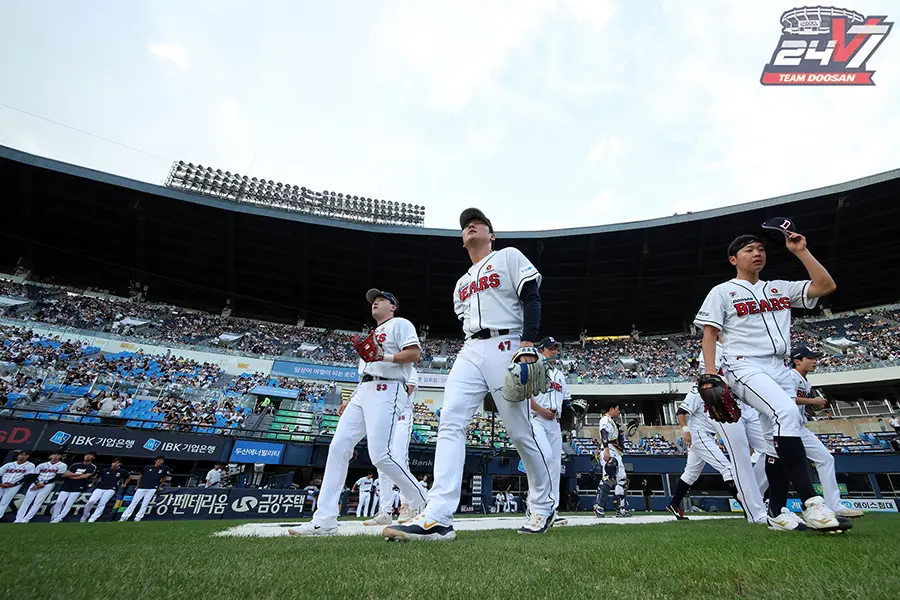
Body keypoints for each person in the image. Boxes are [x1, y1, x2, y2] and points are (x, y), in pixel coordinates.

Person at [384, 208, 555, 541]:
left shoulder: (508, 256)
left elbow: (532, 297)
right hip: (470, 349)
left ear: (492, 234)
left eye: (478, 222)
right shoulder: (461, 284)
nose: (470, 226)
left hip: (508, 343)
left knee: (520, 432)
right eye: (465, 225)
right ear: (463, 241)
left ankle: (543, 506)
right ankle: (438, 516)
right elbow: (465, 322)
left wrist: (529, 342)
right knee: (450, 420)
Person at [695, 228, 846, 533]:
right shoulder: (723, 291)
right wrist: (710, 372)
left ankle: (776, 512)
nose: (757, 252)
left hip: (779, 367)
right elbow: (709, 333)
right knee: (787, 413)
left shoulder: (780, 288)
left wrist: (800, 251)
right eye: (749, 249)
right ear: (733, 258)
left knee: (774, 445)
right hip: (744, 366)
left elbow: (826, 286)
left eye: (761, 248)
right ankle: (813, 503)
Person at [288, 289, 426, 537]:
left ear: (393, 306)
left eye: (381, 300)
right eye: (373, 301)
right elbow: (366, 373)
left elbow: (414, 354)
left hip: (388, 387)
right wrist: (351, 397)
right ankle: (325, 519)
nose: (375, 303)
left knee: (380, 456)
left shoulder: (400, 324)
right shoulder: (372, 334)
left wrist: (384, 354)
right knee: (338, 447)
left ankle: (421, 499)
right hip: (364, 390)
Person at [789, 346, 863, 519]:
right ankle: (749, 497)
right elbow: (786, 397)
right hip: (782, 427)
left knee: (826, 459)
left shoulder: (804, 380)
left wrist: (810, 406)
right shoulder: (791, 376)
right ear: (797, 360)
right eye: (810, 358)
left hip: (797, 427)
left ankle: (834, 505)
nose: (815, 360)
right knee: (768, 463)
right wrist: (812, 400)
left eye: (816, 357)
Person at [666, 388, 741, 521]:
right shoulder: (697, 392)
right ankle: (746, 506)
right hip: (699, 434)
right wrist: (686, 431)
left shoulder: (718, 391)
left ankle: (674, 504)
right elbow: (681, 412)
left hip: (706, 434)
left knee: (690, 473)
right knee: (727, 469)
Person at [364, 368, 420, 527]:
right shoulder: (385, 370)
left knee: (400, 459)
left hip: (402, 417)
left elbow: (406, 391)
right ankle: (385, 511)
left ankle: (407, 505)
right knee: (382, 464)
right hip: (386, 418)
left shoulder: (410, 371)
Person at [527, 336, 569, 525]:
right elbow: (525, 398)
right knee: (545, 459)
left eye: (556, 348)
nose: (554, 351)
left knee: (555, 466)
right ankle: (533, 506)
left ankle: (552, 510)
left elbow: (566, 399)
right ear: (541, 350)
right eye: (551, 348)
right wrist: (543, 411)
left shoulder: (560, 375)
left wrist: (573, 409)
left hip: (554, 423)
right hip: (537, 420)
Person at [593, 403, 631, 518]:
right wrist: (605, 449)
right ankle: (598, 506)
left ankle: (621, 508)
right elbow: (603, 432)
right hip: (609, 450)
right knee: (608, 478)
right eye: (617, 409)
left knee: (622, 479)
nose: (619, 411)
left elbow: (618, 439)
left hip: (617, 453)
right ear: (611, 409)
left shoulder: (614, 423)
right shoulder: (605, 419)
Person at [14, 450, 67, 523]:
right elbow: (34, 475)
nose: (55, 456)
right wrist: (37, 483)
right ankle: (18, 519)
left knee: (37, 502)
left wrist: (44, 483)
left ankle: (26, 519)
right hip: (36, 483)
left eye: (58, 455)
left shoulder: (62, 465)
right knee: (26, 501)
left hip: (48, 484)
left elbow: (57, 477)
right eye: (54, 454)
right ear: (51, 455)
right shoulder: (42, 465)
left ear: (60, 456)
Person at [50, 451, 98, 523]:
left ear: (93, 457)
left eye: (90, 455)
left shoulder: (92, 467)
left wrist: (73, 476)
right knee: (59, 502)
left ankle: (59, 518)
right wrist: (78, 475)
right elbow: (66, 474)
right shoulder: (75, 465)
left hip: (78, 487)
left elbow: (85, 476)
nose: (87, 456)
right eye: (86, 455)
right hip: (67, 485)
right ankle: (53, 518)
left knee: (69, 504)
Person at [120, 456, 170, 522]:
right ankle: (124, 517)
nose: (160, 461)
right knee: (134, 502)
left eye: (161, 460)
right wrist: (138, 485)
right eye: (159, 460)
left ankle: (138, 518)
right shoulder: (148, 467)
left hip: (152, 488)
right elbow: (140, 476)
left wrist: (160, 486)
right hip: (142, 487)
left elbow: (164, 478)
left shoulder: (164, 468)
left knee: (145, 503)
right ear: (155, 460)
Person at [81, 458, 130, 522]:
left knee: (102, 503)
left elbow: (129, 477)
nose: (115, 464)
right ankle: (85, 515)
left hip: (111, 488)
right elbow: (97, 476)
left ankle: (92, 518)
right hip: (100, 487)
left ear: (120, 464)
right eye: (114, 462)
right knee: (91, 501)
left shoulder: (122, 471)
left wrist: (125, 484)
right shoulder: (105, 469)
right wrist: (92, 483)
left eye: (118, 463)